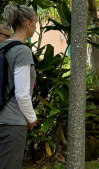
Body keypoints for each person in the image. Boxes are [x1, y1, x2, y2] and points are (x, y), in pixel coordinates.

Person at [0, 3, 38, 169]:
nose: (35, 28)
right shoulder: (22, 51)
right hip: (13, 123)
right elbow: (22, 94)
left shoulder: (2, 46)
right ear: (28, 23)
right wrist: (32, 119)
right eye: (35, 23)